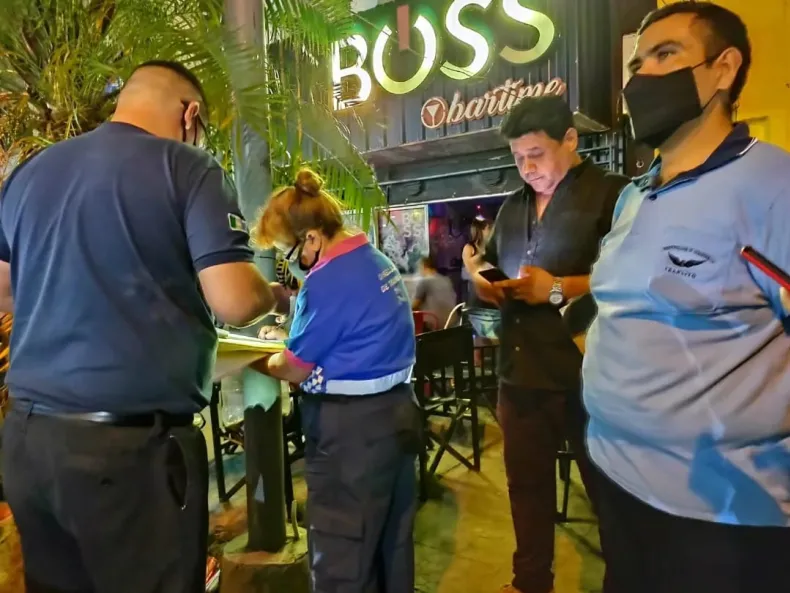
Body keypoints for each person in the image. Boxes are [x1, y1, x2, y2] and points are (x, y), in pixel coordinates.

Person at [0, 61, 276, 593]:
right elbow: (235, 301)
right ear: (190, 115)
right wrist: (271, 291)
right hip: (127, 458)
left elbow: (4, 290)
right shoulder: (188, 167)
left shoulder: (32, 172)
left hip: (32, 445)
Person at [583, 4, 790, 592]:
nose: (641, 76)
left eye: (666, 54)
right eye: (636, 63)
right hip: (616, 482)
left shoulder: (773, 188)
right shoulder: (635, 195)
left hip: (719, 516)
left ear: (724, 68)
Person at [472, 95, 628, 593]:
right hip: (520, 372)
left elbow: (632, 279)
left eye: (536, 154)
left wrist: (557, 288)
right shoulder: (513, 207)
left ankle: (628, 578)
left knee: (609, 493)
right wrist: (483, 281)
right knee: (526, 490)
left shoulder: (612, 195)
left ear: (570, 139)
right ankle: (530, 581)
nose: (527, 167)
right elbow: (489, 261)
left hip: (588, 375)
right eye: (518, 158)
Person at [251, 168, 420, 593]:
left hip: (350, 434)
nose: (289, 263)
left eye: (288, 251)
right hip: (398, 414)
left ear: (311, 238)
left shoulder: (327, 281)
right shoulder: (374, 260)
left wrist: (256, 358)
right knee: (390, 545)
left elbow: (294, 367)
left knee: (342, 554)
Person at [412, 256, 457, 330]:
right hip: (451, 323)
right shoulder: (446, 280)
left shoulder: (425, 281)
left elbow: (414, 306)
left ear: (424, 267)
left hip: (434, 325)